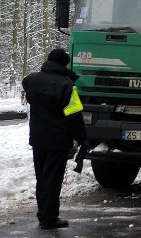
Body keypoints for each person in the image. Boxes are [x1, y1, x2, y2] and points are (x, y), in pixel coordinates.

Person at [22, 49, 86, 230]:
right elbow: (74, 116)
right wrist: (82, 139)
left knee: (41, 178)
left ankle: (43, 214)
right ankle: (49, 218)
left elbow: (26, 87)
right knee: (52, 179)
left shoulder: (31, 80)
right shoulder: (67, 86)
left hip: (37, 138)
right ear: (63, 64)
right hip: (57, 139)